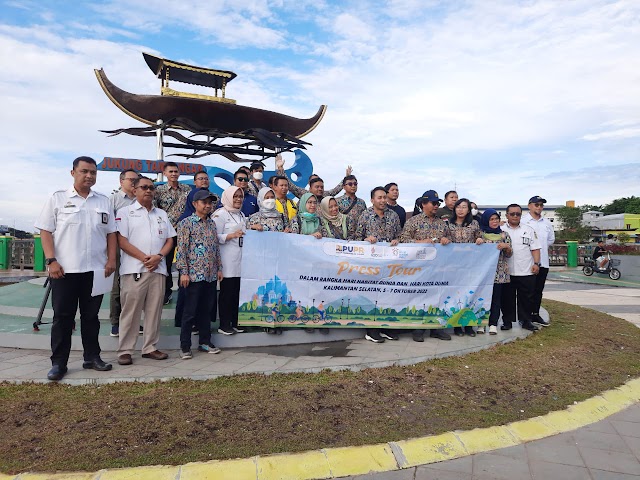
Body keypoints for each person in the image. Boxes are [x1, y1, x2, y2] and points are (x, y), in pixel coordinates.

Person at [35, 156, 116, 381]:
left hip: (96, 271)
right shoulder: (58, 198)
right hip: (64, 271)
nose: (89, 176)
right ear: (73, 173)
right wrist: (51, 261)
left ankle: (92, 357)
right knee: (63, 317)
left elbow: (111, 233)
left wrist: (111, 260)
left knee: (91, 317)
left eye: (93, 172)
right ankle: (59, 363)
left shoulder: (103, 201)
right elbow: (45, 231)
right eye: (84, 171)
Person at [115, 177, 175, 365]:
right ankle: (125, 350)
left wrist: (158, 256)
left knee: (154, 311)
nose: (148, 190)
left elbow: (170, 240)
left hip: (158, 269)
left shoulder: (162, 214)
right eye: (144, 187)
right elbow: (121, 241)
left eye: (151, 187)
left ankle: (150, 347)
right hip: (134, 269)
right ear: (134, 190)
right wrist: (144, 258)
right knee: (130, 312)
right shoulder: (125, 212)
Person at [398, 190, 452, 343]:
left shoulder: (442, 223)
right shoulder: (413, 222)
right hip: (418, 269)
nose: (436, 206)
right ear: (423, 204)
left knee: (437, 297)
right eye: (434, 203)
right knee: (419, 298)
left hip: (438, 269)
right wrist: (420, 243)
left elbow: (449, 240)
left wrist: (446, 240)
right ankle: (418, 328)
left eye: (438, 203)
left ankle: (436, 329)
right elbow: (403, 241)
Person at [175, 190, 223, 358]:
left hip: (209, 275)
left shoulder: (212, 224)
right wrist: (184, 272)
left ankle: (205, 341)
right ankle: (185, 346)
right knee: (189, 312)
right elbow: (181, 249)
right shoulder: (186, 223)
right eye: (204, 202)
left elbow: (215, 248)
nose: (208, 205)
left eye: (210, 202)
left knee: (206, 310)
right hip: (193, 275)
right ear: (195, 204)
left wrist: (219, 268)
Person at [354, 187, 401, 343]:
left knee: (388, 296)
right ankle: (371, 330)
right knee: (372, 296)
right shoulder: (365, 216)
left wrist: (397, 241)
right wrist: (366, 240)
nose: (382, 201)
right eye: (379, 198)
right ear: (372, 200)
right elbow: (357, 238)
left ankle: (386, 328)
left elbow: (400, 235)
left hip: (389, 265)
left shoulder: (393, 216)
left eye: (384, 197)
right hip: (371, 265)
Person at [154, 162, 191, 305]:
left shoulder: (187, 189)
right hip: (167, 232)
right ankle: (166, 292)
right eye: (171, 171)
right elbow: (156, 210)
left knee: (184, 262)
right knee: (166, 262)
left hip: (184, 231)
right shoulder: (159, 190)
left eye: (176, 171)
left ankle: (185, 290)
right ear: (165, 173)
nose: (174, 174)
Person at [501, 204, 541, 332]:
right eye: (512, 214)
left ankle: (525, 321)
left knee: (526, 298)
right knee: (507, 298)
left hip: (526, 270)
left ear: (521, 215)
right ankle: (507, 321)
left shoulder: (528, 230)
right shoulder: (500, 229)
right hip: (507, 272)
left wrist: (536, 263)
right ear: (506, 215)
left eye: (518, 214)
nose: (515, 216)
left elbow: (535, 248)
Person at [108, 169, 139, 337]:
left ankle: (133, 321)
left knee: (135, 287)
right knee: (117, 286)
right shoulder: (113, 200)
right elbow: (108, 227)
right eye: (131, 179)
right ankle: (116, 323)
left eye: (136, 180)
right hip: (120, 247)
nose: (134, 183)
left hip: (139, 249)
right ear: (121, 181)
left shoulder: (141, 200)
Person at [213, 186, 247, 335]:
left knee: (237, 293)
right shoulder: (220, 215)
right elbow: (213, 236)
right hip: (226, 261)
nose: (238, 199)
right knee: (227, 293)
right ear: (228, 197)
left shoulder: (241, 214)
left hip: (240, 260)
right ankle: (224, 324)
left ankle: (235, 321)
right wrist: (231, 236)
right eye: (235, 196)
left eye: (240, 196)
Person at [447, 198, 484, 337]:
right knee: (456, 296)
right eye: (458, 207)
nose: (461, 209)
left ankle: (468, 325)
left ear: (469, 210)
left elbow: (480, 238)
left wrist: (480, 240)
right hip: (453, 267)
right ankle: (457, 325)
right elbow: (442, 240)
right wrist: (444, 240)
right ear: (454, 209)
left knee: (469, 295)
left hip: (470, 266)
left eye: (464, 207)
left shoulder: (474, 224)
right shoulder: (448, 225)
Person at [522, 195, 554, 327]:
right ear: (529, 205)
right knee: (527, 291)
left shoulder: (546, 223)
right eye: (536, 205)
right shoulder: (523, 221)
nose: (539, 207)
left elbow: (550, 240)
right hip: (528, 263)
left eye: (541, 205)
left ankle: (535, 313)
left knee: (538, 290)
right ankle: (525, 317)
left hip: (543, 262)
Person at [479, 209, 512, 335]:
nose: (494, 222)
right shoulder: (480, 235)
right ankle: (481, 323)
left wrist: (506, 247)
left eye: (496, 219)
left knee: (496, 298)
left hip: (499, 272)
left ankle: (493, 323)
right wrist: (478, 244)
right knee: (482, 297)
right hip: (483, 273)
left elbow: (509, 255)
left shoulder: (504, 235)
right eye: (491, 219)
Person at [275, 154, 349, 199]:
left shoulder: (325, 195)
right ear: (310, 185)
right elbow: (290, 185)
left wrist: (346, 179)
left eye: (321, 186)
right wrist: (280, 169)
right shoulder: (304, 194)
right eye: (316, 186)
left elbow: (335, 190)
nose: (320, 189)